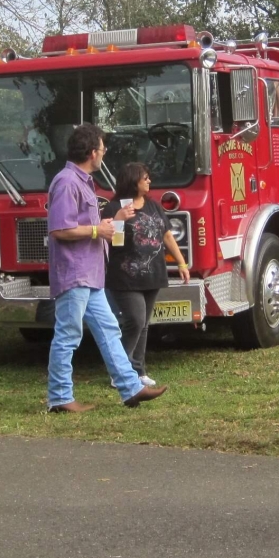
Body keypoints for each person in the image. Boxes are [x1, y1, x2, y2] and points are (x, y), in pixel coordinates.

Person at [46, 124, 167, 413]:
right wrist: (96, 230)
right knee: (68, 334)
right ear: (91, 152)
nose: (104, 153)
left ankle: (131, 388)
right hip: (74, 274)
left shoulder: (84, 181)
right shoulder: (66, 182)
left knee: (110, 329)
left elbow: (94, 228)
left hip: (91, 274)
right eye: (102, 148)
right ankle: (60, 397)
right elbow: (59, 230)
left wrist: (109, 226)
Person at [102, 162, 190, 386]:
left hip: (153, 273)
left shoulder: (153, 206)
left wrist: (181, 263)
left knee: (144, 324)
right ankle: (119, 371)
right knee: (135, 319)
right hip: (125, 275)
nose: (149, 181)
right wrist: (120, 219)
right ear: (133, 181)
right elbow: (114, 241)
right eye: (145, 178)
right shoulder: (114, 208)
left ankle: (138, 371)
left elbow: (167, 236)